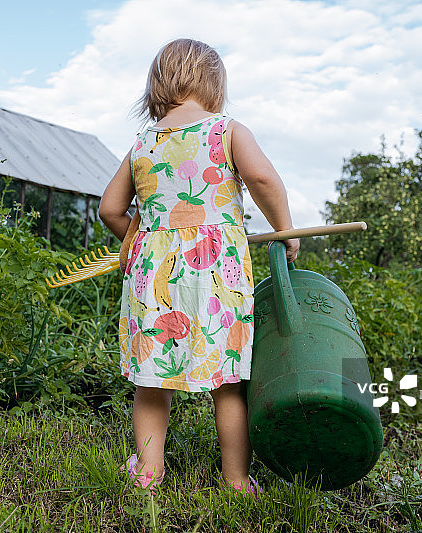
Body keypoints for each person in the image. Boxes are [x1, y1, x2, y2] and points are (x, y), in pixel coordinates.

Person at [98, 38, 299, 493]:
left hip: (155, 276)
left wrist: (137, 240)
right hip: (214, 274)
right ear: (213, 83)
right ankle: (235, 480)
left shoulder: (143, 143)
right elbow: (263, 178)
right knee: (227, 381)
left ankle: (149, 472)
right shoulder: (227, 130)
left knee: (152, 381)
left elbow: (110, 209)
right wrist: (285, 231)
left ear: (158, 85)